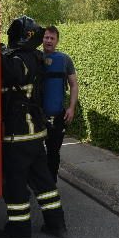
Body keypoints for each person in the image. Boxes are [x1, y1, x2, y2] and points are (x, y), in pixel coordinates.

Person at [0, 16, 67, 238]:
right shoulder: (36, 57)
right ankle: (56, 224)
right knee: (44, 182)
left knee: (15, 183)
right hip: (35, 133)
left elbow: (7, 70)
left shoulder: (20, 60)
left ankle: (19, 229)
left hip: (19, 134)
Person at [41, 26, 78, 182]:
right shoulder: (34, 57)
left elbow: (74, 84)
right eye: (46, 37)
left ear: (57, 41)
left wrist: (71, 108)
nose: (49, 40)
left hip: (57, 115)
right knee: (33, 152)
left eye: (52, 38)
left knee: (53, 152)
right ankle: (37, 182)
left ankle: (51, 183)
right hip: (36, 115)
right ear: (42, 39)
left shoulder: (65, 60)